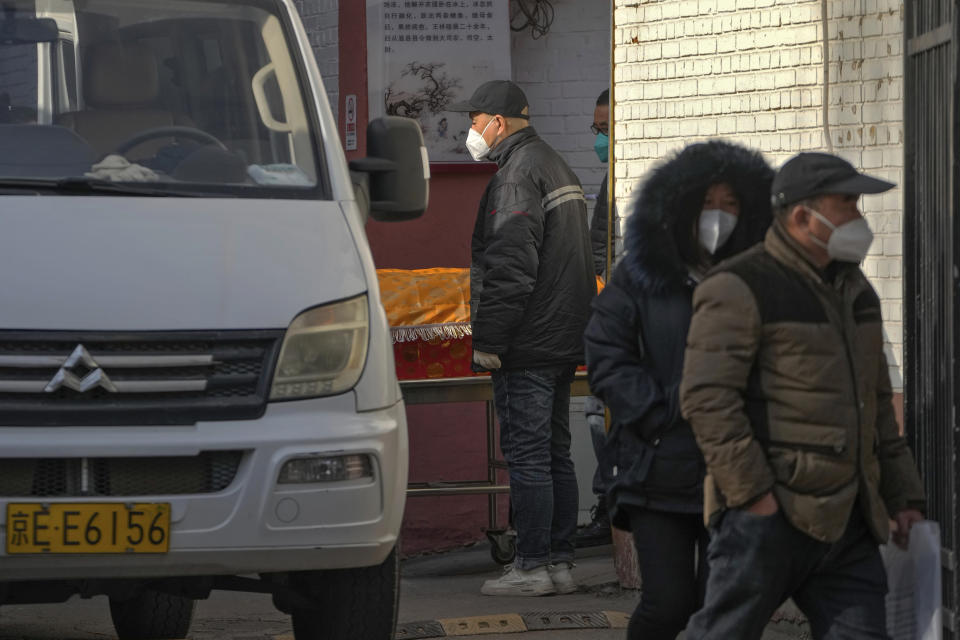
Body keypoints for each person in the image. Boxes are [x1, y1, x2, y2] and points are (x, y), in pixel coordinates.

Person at [680, 152, 926, 639]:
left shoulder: (856, 292)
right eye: (847, 204)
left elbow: (875, 406)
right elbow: (708, 398)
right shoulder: (739, 285)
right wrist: (753, 495)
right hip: (769, 516)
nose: (858, 217)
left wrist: (902, 496)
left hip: (849, 519)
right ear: (801, 216)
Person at [584, 140, 774, 639]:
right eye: (707, 203)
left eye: (729, 204)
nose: (718, 216)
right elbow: (607, 356)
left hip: (736, 470)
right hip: (656, 471)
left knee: (724, 610)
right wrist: (663, 412)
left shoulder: (764, 279)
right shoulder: (640, 277)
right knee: (668, 606)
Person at [447, 80, 596, 596]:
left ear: (499, 123)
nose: (471, 132)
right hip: (561, 337)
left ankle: (530, 567)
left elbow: (510, 269)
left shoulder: (514, 176)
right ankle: (558, 563)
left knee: (529, 455)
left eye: (474, 121)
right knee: (555, 452)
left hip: (527, 342)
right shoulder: (554, 164)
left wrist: (489, 340)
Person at [577, 88, 616, 547]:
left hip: (628, 319)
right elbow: (597, 251)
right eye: (597, 130)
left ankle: (612, 506)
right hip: (610, 313)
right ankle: (608, 505)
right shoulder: (612, 182)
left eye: (606, 130)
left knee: (598, 409)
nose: (600, 140)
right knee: (595, 410)